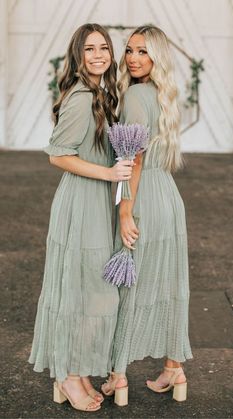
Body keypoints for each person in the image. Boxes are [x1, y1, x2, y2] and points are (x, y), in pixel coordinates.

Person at [28, 23, 133, 412]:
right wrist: (109, 173)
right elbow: (58, 155)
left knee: (92, 288)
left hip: (95, 202)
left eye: (104, 47)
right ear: (78, 55)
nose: (98, 55)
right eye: (89, 49)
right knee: (80, 289)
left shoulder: (102, 94)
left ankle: (80, 368)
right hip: (79, 202)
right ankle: (69, 374)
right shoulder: (79, 97)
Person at [101, 25, 193, 405]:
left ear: (157, 57)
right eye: (129, 50)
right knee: (169, 286)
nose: (134, 59)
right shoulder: (163, 94)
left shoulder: (137, 94)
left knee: (130, 286)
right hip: (168, 196)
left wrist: (125, 211)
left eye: (143, 52)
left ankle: (117, 377)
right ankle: (175, 369)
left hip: (142, 197)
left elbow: (132, 159)